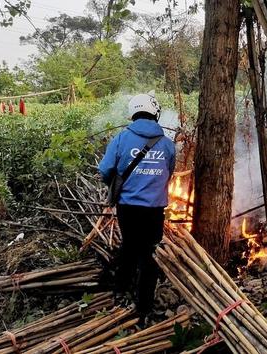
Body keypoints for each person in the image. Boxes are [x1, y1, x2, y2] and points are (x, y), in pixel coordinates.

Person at [98, 92, 176, 324]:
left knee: (130, 246)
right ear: (155, 113)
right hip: (155, 208)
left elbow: (104, 170)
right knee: (150, 253)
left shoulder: (122, 138)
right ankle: (144, 307)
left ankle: (120, 291)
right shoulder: (167, 143)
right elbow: (169, 173)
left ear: (133, 113)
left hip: (128, 207)